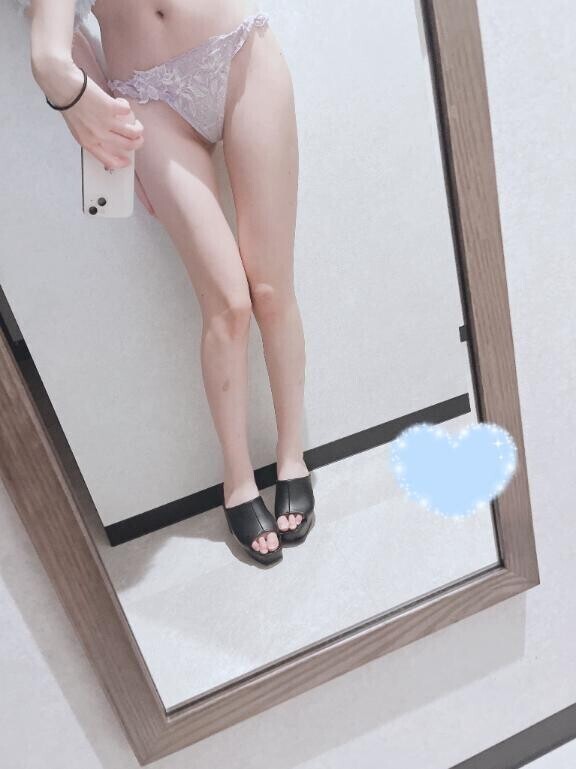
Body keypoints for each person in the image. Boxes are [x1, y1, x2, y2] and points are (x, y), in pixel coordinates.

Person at [17, 0, 315, 565]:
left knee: (272, 289)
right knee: (228, 304)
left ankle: (292, 457)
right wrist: (102, 126)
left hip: (239, 53)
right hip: (145, 96)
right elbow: (52, 31)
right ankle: (237, 480)